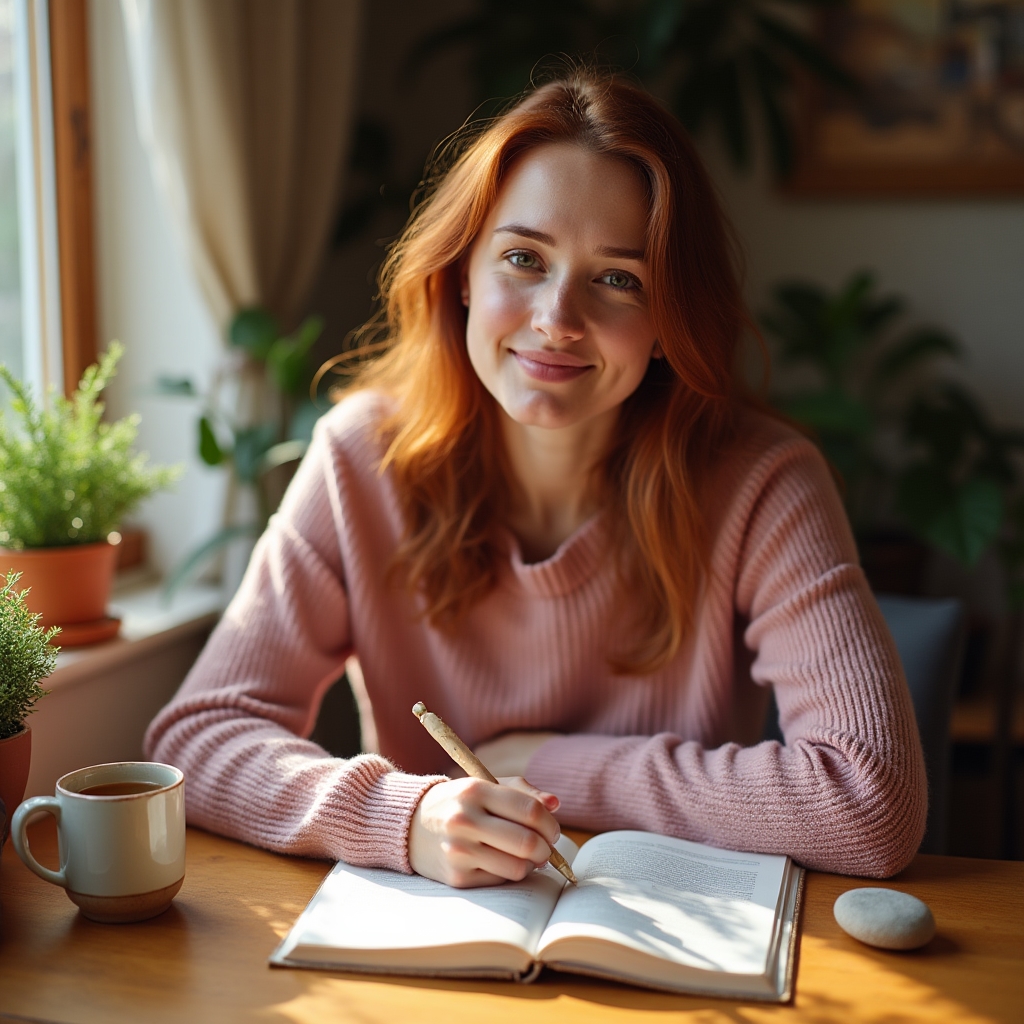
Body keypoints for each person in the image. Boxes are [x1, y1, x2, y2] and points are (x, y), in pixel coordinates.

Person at [145, 72, 926, 886]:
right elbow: (196, 741)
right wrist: (403, 817)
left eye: (618, 277)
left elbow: (869, 801)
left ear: (668, 321)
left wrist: (554, 766)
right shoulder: (358, 460)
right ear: (460, 277)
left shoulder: (764, 483)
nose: (557, 317)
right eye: (523, 258)